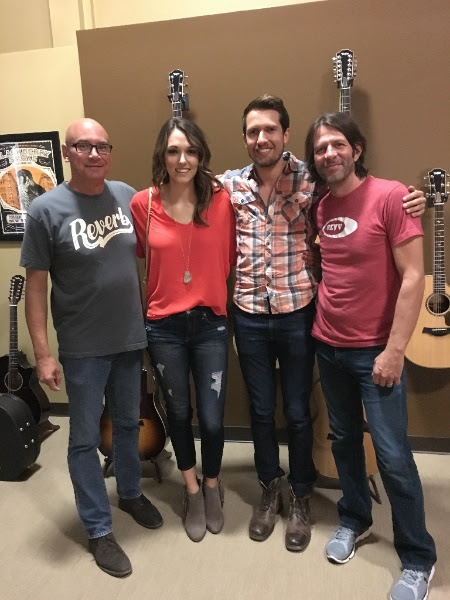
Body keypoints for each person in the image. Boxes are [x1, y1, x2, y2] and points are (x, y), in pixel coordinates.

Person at [219, 95, 427, 553]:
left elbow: (380, 210)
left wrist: (420, 196)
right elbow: (182, 189)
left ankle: (305, 497)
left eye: (270, 129)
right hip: (265, 319)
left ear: (285, 135)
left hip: (303, 317)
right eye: (253, 132)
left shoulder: (315, 183)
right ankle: (278, 490)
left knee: (309, 416)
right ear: (245, 138)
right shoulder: (229, 186)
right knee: (276, 416)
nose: (261, 139)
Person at [20, 118, 163, 578]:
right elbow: (36, 289)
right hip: (82, 348)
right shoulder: (45, 210)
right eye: (85, 146)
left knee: (126, 423)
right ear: (68, 153)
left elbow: (180, 209)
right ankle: (99, 530)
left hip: (129, 338)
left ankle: (131, 493)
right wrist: (43, 353)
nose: (96, 154)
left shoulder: (126, 194)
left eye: (103, 145)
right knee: (83, 440)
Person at [304, 112, 436, 600]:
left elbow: (414, 277)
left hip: (375, 354)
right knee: (342, 442)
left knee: (394, 457)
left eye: (337, 144)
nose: (329, 154)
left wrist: (394, 351)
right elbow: (329, 267)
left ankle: (418, 557)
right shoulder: (320, 206)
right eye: (320, 149)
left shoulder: (392, 196)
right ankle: (355, 519)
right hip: (328, 345)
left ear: (356, 149)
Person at [130, 118, 236, 542]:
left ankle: (212, 485)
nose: (182, 160)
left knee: (211, 420)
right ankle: (191, 489)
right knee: (177, 413)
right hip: (163, 328)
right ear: (162, 155)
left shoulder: (223, 199)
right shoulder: (143, 204)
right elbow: (138, 263)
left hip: (210, 323)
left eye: (191, 151)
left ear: (201, 155)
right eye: (174, 151)